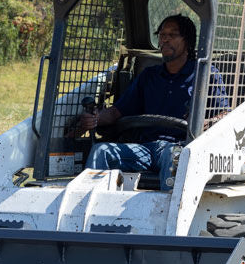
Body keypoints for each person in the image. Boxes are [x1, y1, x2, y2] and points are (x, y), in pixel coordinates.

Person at [78, 14, 227, 189]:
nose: (165, 40)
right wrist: (95, 118)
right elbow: (116, 112)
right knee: (100, 151)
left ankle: (168, 214)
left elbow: (225, 114)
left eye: (172, 35)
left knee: (173, 158)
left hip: (180, 149)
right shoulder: (149, 76)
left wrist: (206, 124)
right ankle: (86, 209)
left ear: (187, 41)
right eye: (162, 35)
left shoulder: (205, 75)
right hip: (145, 149)